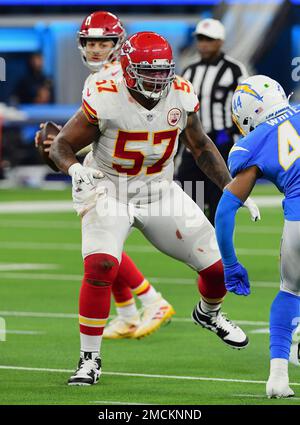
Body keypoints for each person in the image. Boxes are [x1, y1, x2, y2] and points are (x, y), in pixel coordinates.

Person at [49, 31, 259, 386]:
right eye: (150, 71)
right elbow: (61, 145)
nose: (159, 79)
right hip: (110, 191)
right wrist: (76, 169)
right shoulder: (105, 95)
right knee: (100, 265)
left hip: (160, 192)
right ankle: (89, 359)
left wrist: (231, 188)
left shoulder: (179, 91)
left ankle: (209, 314)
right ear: (129, 70)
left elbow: (201, 146)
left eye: (164, 71)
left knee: (218, 270)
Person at [35, 11, 175, 340]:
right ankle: (127, 312)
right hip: (127, 166)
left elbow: (113, 138)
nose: (96, 49)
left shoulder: (112, 78)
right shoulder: (112, 75)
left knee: (101, 246)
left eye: (104, 42)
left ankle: (150, 298)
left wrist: (64, 148)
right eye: (91, 42)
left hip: (125, 173)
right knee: (101, 249)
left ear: (118, 43)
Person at [215, 75, 300, 398]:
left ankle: (278, 376)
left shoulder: (253, 142)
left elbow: (224, 210)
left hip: (298, 221)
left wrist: (230, 263)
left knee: (290, 291)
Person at [176, 18, 248, 224]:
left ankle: (219, 252)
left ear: (220, 41)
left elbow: (245, 105)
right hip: (192, 148)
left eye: (209, 39)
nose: (204, 43)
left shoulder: (234, 70)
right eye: (200, 39)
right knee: (189, 205)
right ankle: (195, 250)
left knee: (220, 205)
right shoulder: (189, 71)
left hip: (222, 144)